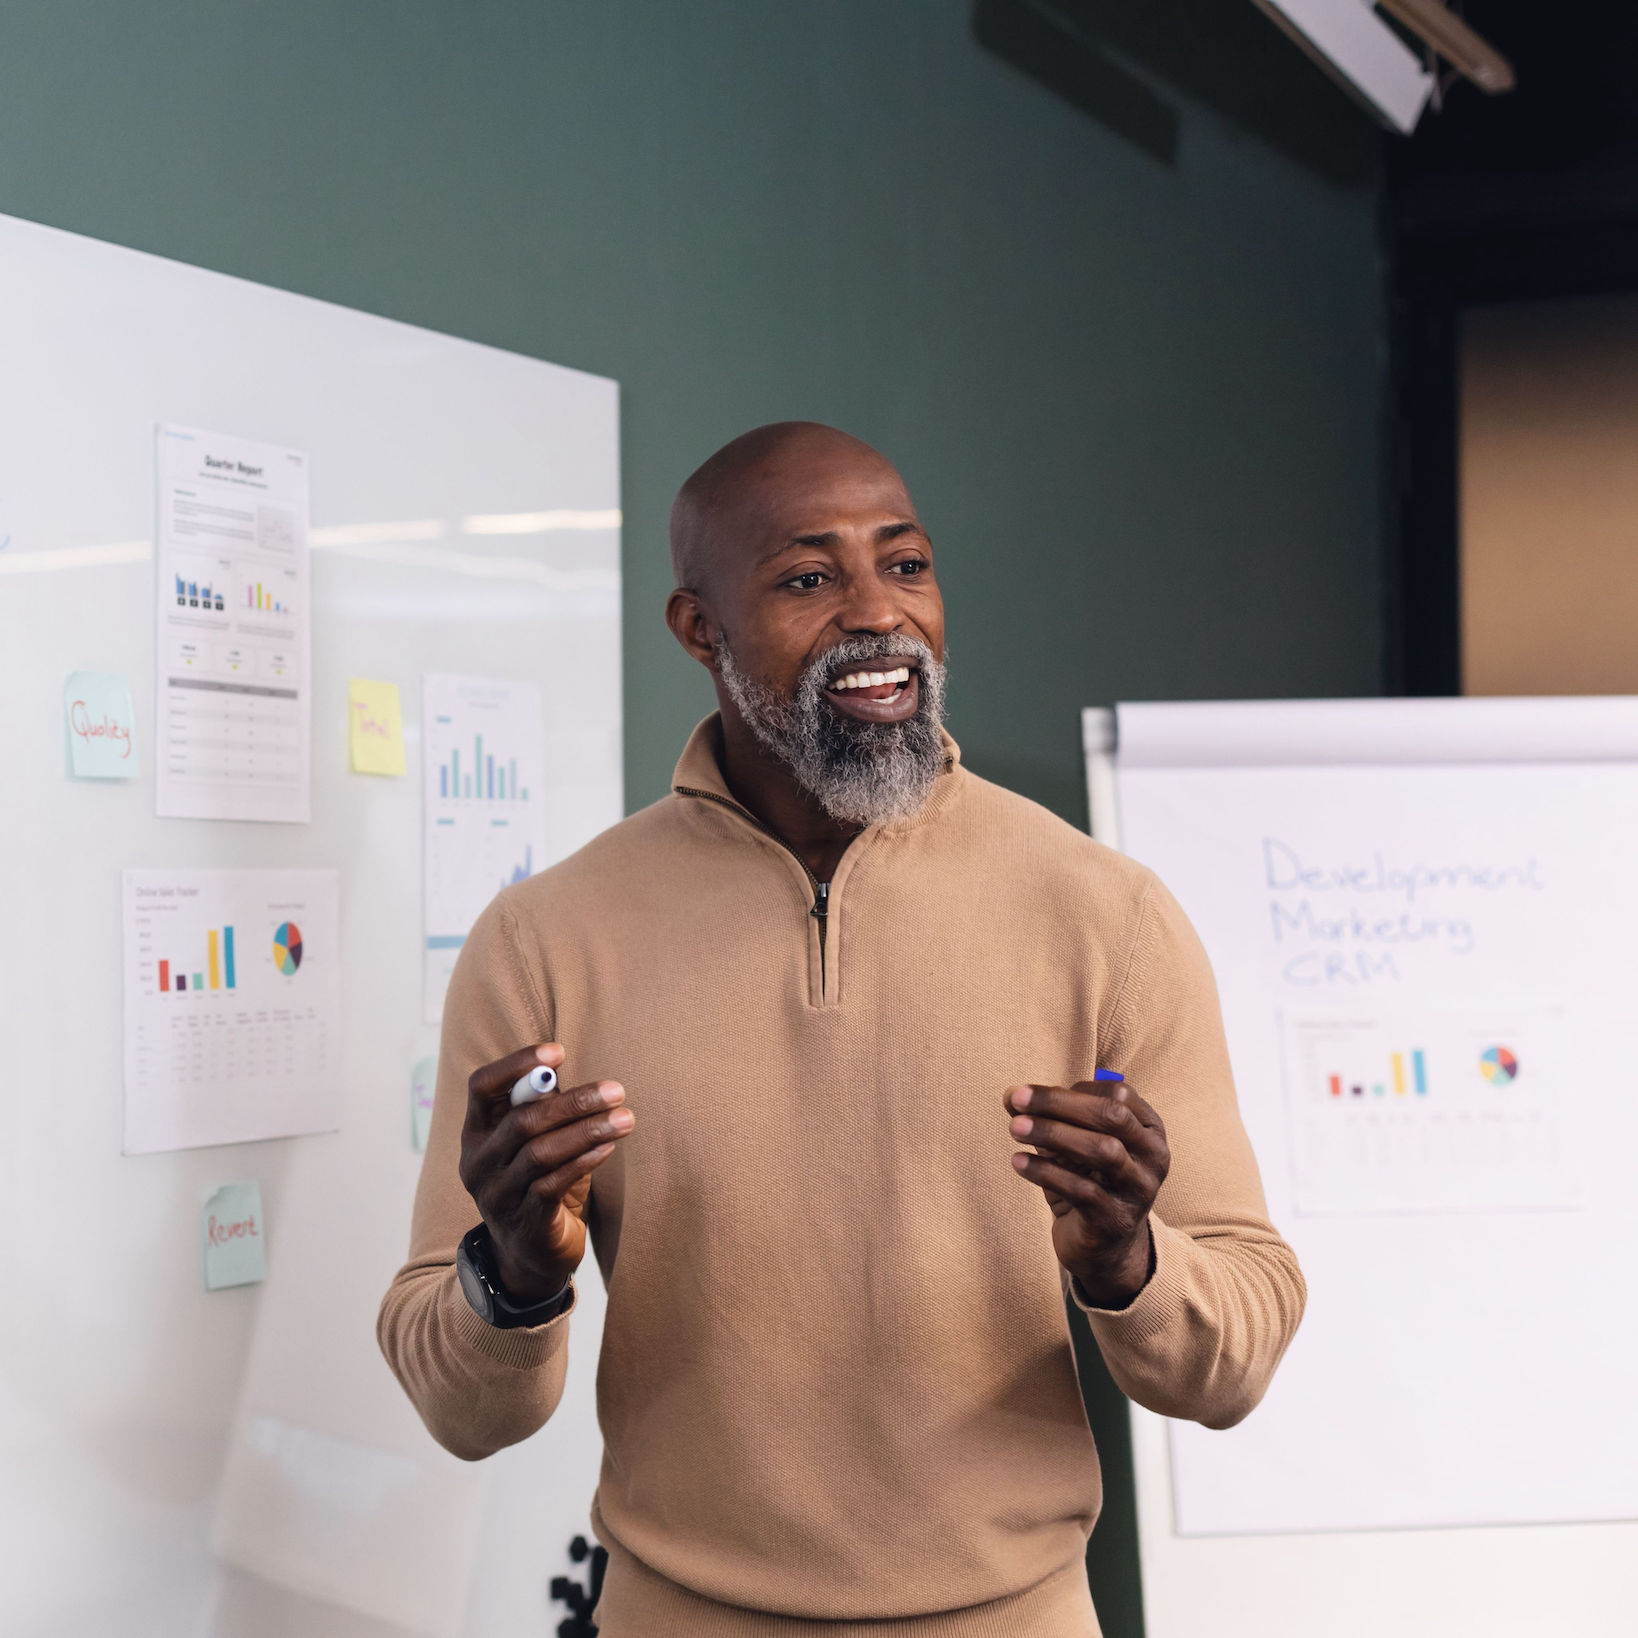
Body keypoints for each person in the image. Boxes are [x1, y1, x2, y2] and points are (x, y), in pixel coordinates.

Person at [378, 422, 1305, 1637]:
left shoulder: (1105, 916)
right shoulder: (546, 940)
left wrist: (1128, 1257)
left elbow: (1234, 1362)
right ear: (698, 629)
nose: (879, 615)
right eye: (809, 579)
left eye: (906, 565)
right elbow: (463, 1413)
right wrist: (512, 1275)